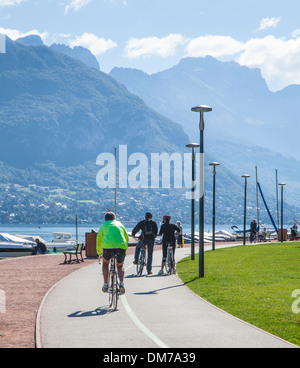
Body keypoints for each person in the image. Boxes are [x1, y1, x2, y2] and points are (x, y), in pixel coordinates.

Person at [96, 212, 128, 294]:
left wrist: (99, 252)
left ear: (105, 219)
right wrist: (125, 250)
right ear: (114, 218)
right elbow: (126, 237)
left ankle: (106, 284)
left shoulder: (104, 225)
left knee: (106, 263)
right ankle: (121, 283)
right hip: (121, 247)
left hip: (108, 247)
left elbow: (99, 238)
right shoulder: (119, 224)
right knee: (120, 265)